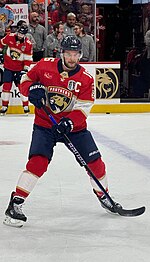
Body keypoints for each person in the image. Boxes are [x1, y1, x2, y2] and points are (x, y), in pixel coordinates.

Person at [3, 35, 119, 227]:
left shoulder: (86, 79)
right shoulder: (44, 65)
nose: (72, 58)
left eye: (75, 54)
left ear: (80, 54)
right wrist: (31, 89)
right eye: (68, 54)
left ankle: (104, 195)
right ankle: (15, 204)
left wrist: (69, 123)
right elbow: (25, 78)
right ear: (61, 53)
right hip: (45, 125)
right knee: (38, 162)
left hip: (74, 129)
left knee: (95, 163)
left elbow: (83, 108)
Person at [0, 23, 33, 115]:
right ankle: (4, 107)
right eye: (19, 33)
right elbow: (1, 43)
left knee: (21, 87)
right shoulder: (10, 36)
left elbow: (28, 59)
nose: (20, 35)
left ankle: (26, 106)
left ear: (25, 35)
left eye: (22, 34)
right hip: (8, 67)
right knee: (6, 87)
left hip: (19, 69)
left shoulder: (28, 44)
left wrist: (25, 69)